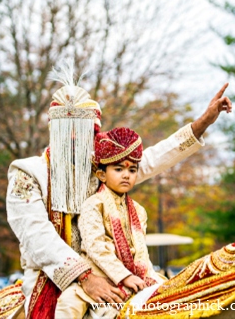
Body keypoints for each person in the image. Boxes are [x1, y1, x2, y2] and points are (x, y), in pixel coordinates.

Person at [4, 63, 232, 319]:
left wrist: (201, 124)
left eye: (84, 133)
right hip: (53, 276)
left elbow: (151, 159)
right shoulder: (27, 172)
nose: (76, 141)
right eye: (68, 133)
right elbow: (37, 237)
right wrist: (85, 276)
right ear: (54, 132)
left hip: (111, 270)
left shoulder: (100, 168)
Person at [56, 127, 168, 318]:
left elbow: (141, 249)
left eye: (132, 170)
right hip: (99, 276)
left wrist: (147, 276)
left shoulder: (139, 210)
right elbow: (95, 246)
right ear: (101, 175)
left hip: (137, 277)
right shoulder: (93, 205)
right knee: (67, 307)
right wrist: (124, 276)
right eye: (118, 169)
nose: (126, 175)